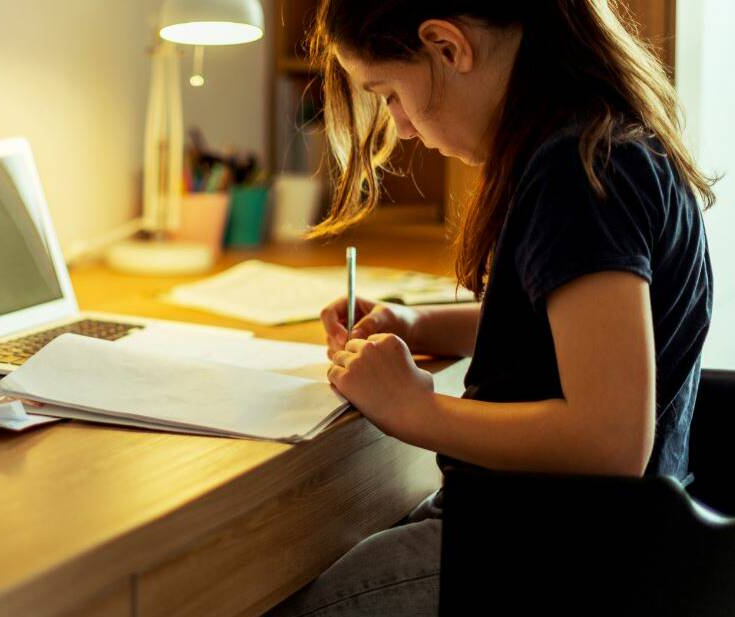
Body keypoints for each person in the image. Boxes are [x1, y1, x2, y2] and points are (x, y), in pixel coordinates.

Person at [267, 1, 715, 615]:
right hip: (580, 532)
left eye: (390, 94)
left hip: (556, 551)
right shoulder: (602, 141)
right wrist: (418, 323)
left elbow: (609, 441)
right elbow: (573, 332)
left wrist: (414, 408)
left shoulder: (577, 175)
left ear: (447, 47)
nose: (397, 126)